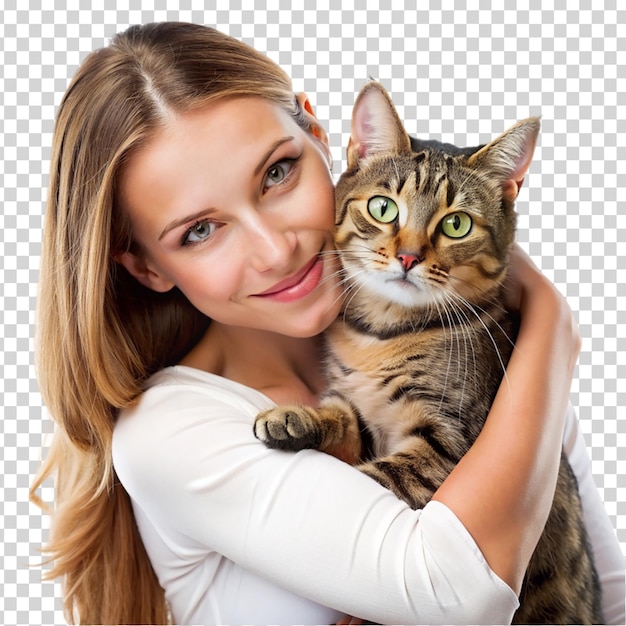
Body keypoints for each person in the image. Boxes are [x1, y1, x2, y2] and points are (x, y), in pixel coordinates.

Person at [30, 21, 624, 625]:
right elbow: (459, 594)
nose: (275, 249)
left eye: (277, 173)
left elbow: (610, 595)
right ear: (147, 268)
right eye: (199, 231)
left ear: (320, 136)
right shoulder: (170, 431)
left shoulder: (474, 349)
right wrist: (552, 324)